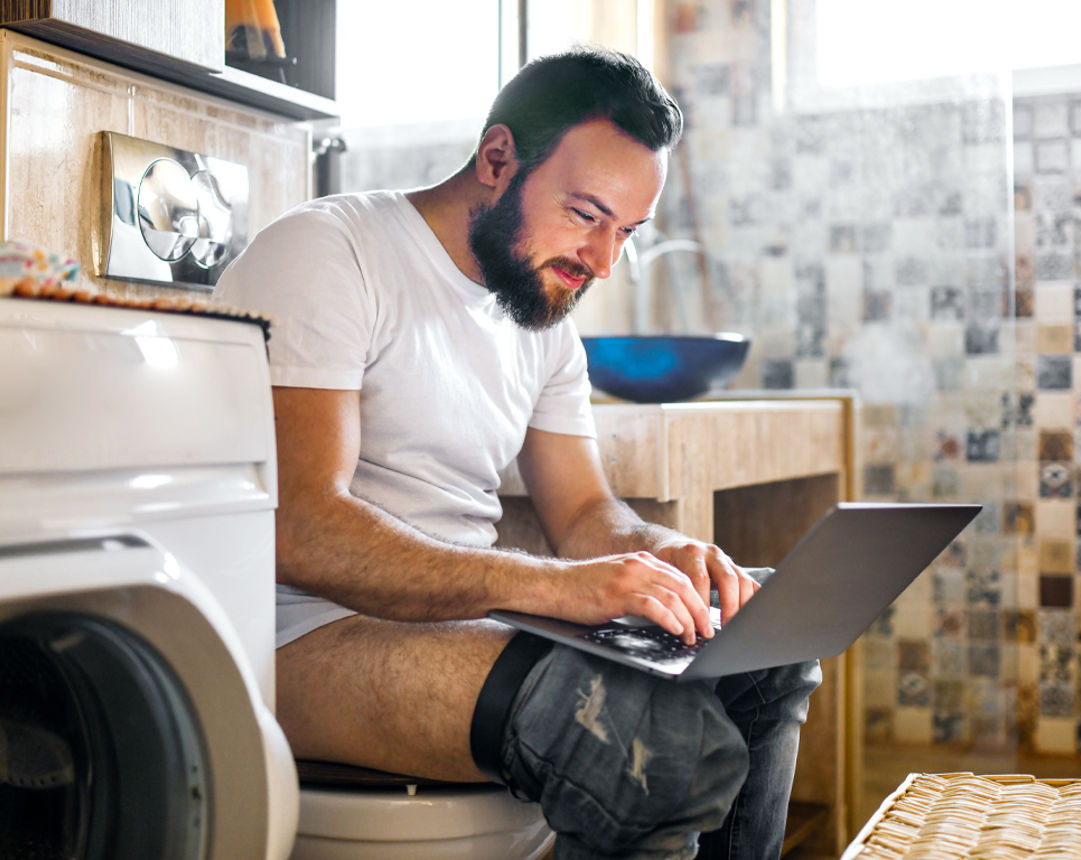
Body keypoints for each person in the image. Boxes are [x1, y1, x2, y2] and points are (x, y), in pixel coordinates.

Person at [215, 46, 820, 859]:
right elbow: (303, 530)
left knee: (767, 646)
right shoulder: (329, 253)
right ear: (497, 159)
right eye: (587, 215)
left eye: (625, 232)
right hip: (297, 642)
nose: (603, 261)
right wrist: (555, 588)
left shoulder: (540, 317)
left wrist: (665, 553)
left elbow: (585, 513)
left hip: (457, 629)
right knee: (655, 745)